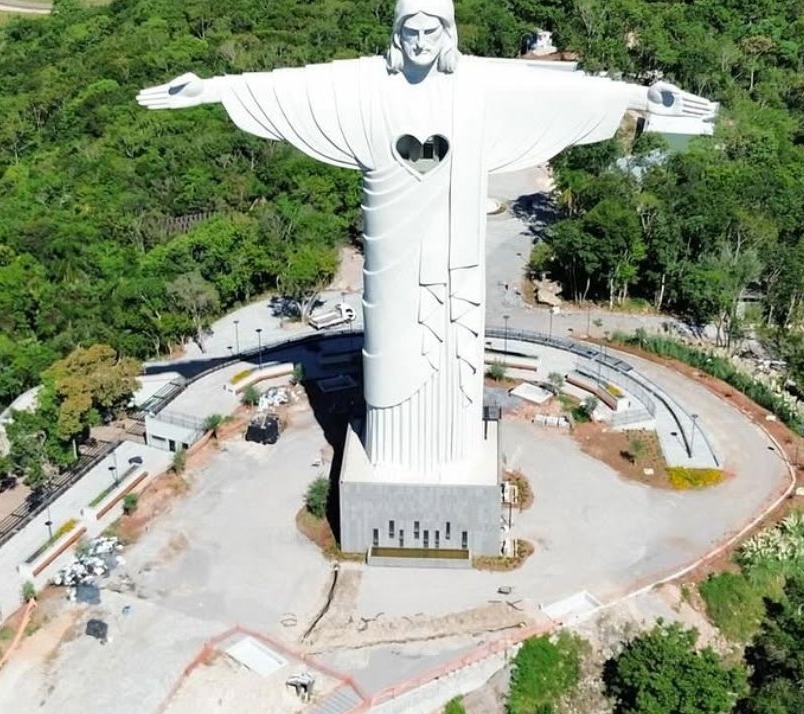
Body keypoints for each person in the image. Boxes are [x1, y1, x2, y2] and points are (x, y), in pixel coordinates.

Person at [138, 0, 716, 482]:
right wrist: (210, 89)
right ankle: (393, 454)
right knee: (389, 359)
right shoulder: (367, 82)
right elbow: (295, 86)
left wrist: (642, 99)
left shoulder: (477, 83)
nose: (417, 40)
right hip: (389, 260)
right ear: (395, 32)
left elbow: (562, 92)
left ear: (447, 32)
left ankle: (452, 453)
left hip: (455, 251)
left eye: (429, 29)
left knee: (454, 356)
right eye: (408, 29)